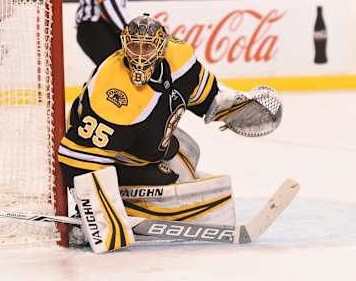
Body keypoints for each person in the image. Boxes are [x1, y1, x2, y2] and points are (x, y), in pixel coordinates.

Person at [58, 14, 283, 253]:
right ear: (124, 45)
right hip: (117, 158)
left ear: (162, 47)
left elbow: (205, 96)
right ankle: (127, 206)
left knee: (188, 150)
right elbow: (78, 160)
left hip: (146, 142)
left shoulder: (180, 57)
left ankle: (135, 201)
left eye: (148, 47)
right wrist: (97, 217)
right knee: (210, 205)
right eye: (134, 46)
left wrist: (234, 107)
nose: (140, 56)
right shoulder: (113, 93)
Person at [75, 0, 129, 66]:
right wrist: (129, 30)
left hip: (103, 28)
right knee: (118, 69)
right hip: (94, 27)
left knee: (120, 70)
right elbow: (110, 2)